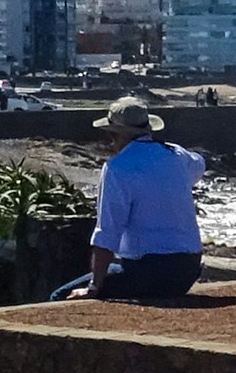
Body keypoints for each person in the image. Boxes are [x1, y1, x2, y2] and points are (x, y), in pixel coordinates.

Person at [86, 96, 206, 302]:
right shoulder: (177, 154)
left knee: (60, 296)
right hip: (188, 269)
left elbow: (107, 232)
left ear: (117, 135)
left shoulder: (117, 167)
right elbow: (200, 163)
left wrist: (94, 286)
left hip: (147, 271)